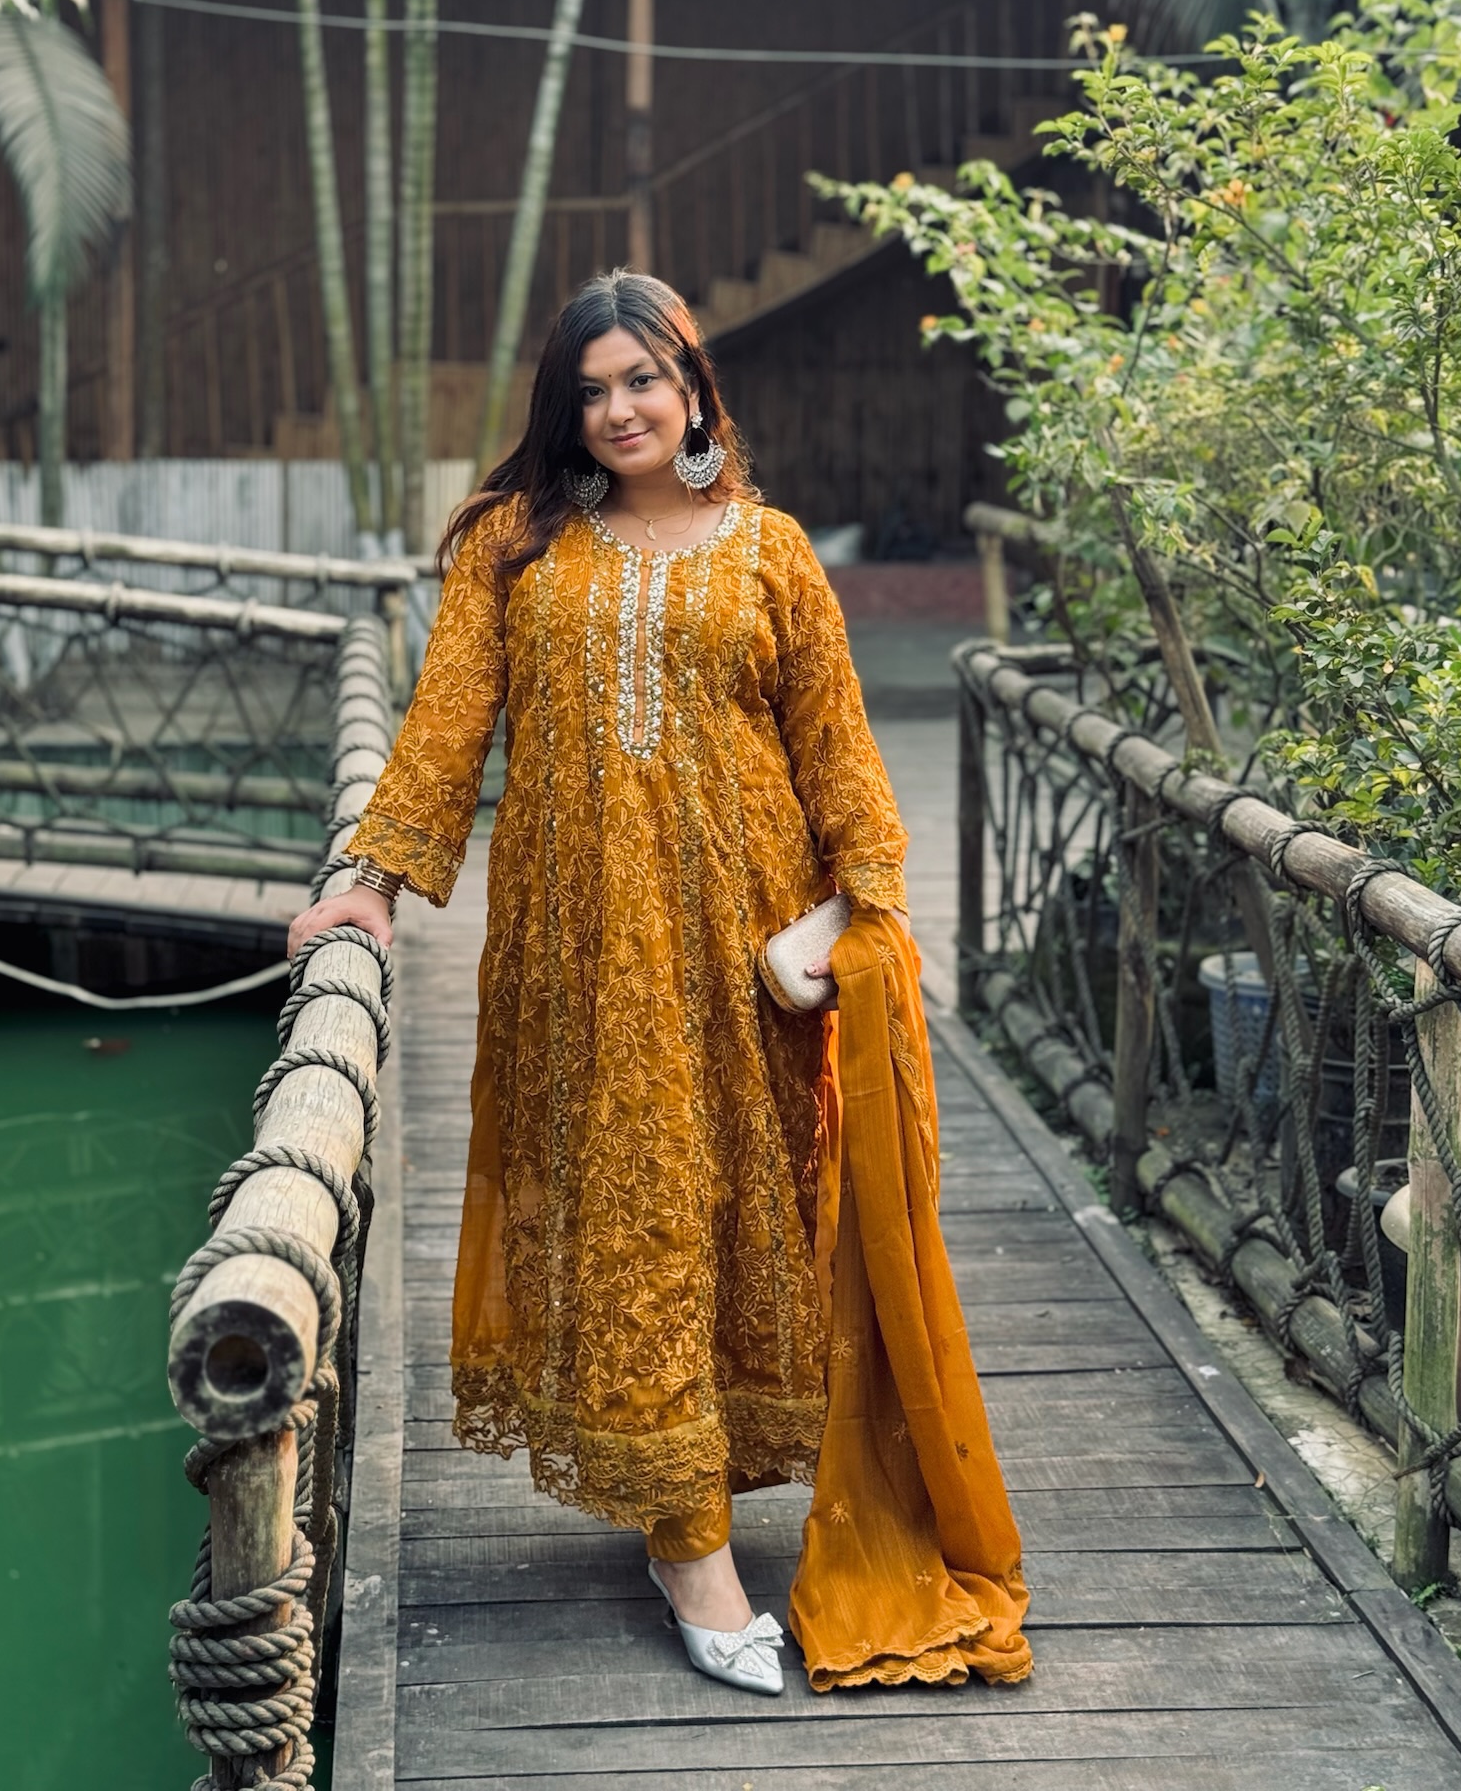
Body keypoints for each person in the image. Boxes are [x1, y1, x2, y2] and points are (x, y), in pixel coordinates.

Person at [288, 270, 1030, 1697]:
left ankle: (700, 1487)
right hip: (579, 952)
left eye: (644, 380)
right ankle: (690, 1546)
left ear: (693, 390)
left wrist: (849, 919)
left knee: (738, 1216)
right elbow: (444, 729)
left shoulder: (773, 551)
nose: (620, 410)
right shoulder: (514, 543)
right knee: (631, 1215)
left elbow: (839, 757)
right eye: (591, 390)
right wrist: (370, 882)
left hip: (746, 952)